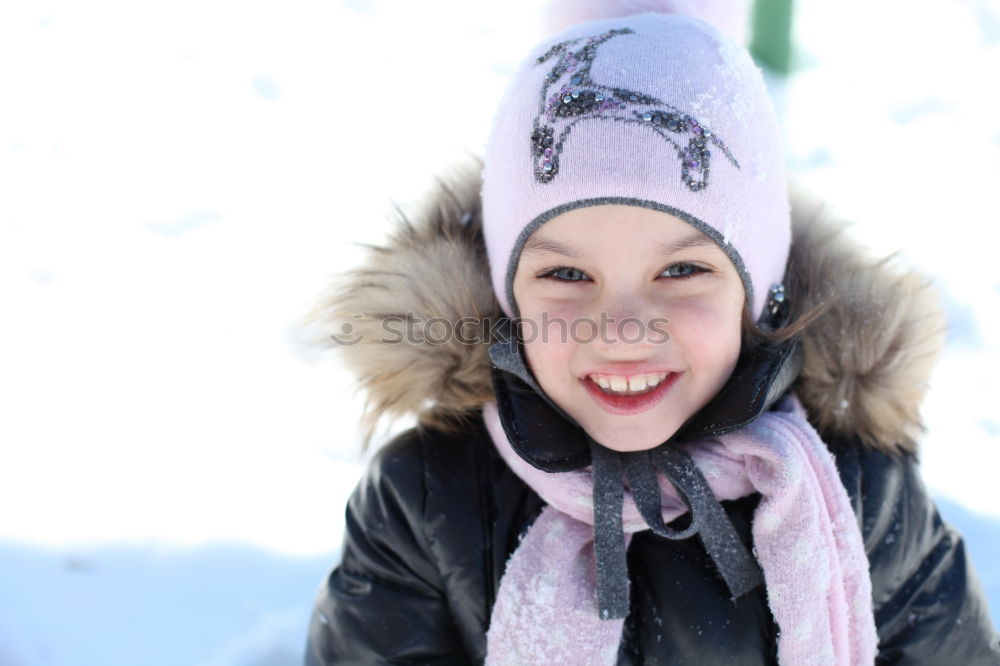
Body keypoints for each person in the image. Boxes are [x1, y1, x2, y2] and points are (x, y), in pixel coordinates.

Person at [300, 2, 1000, 664]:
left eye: (683, 269)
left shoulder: (859, 501)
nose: (624, 327)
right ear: (504, 295)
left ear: (757, 291)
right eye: (568, 275)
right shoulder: (426, 500)